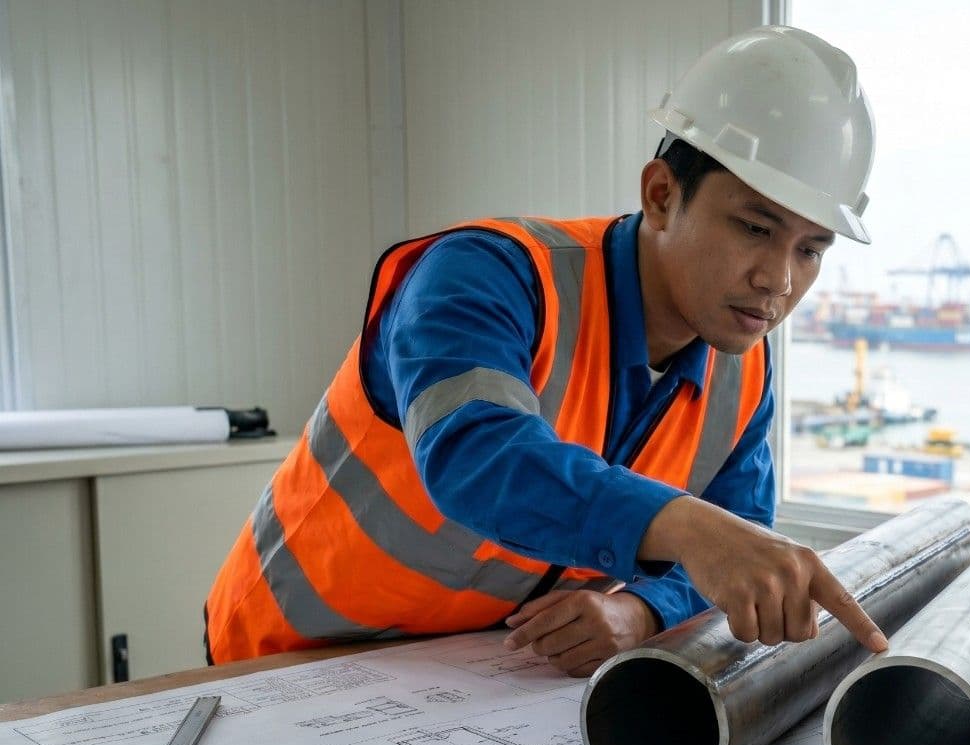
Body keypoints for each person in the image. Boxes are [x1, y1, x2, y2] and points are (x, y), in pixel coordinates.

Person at [204, 25, 884, 676]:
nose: (780, 279)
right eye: (755, 227)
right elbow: (479, 453)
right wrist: (684, 525)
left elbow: (729, 548)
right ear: (661, 195)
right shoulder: (486, 274)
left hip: (469, 677)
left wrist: (641, 611)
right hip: (286, 657)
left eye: (810, 249)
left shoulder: (744, 369)